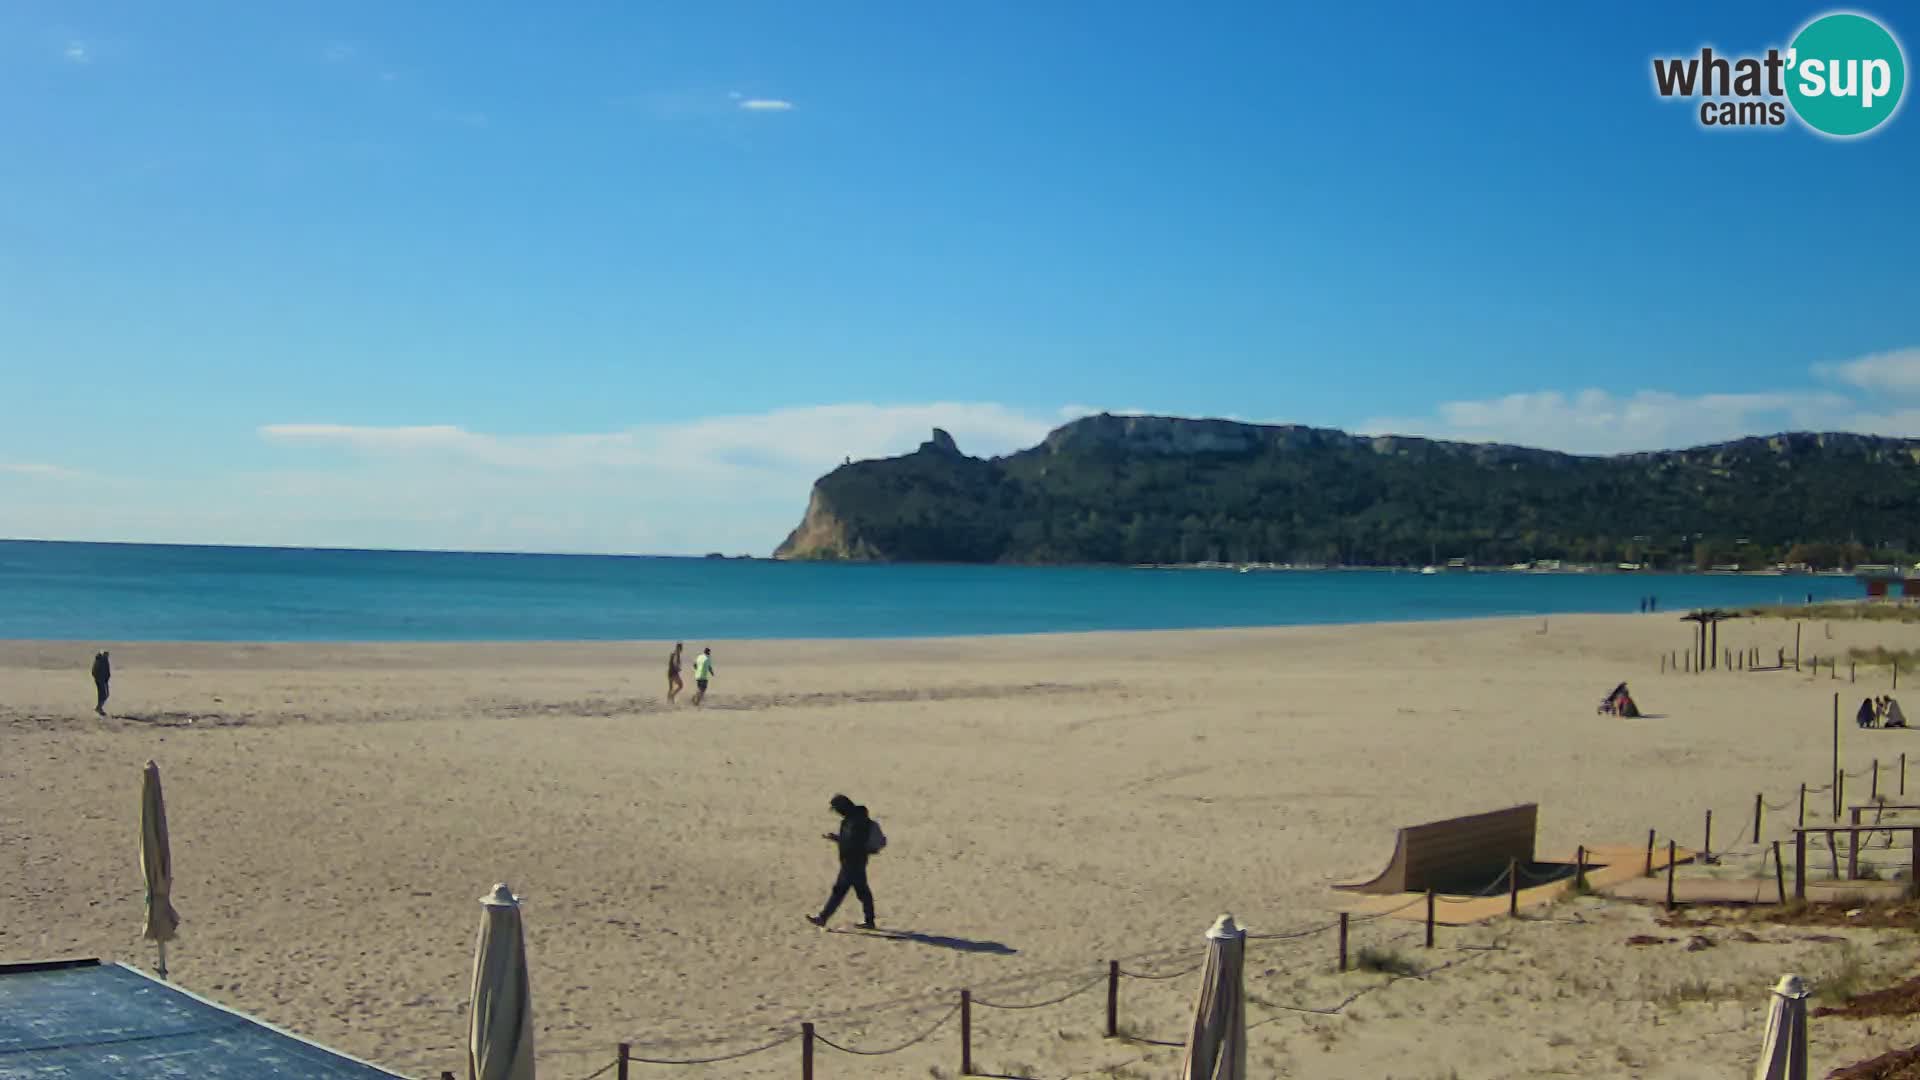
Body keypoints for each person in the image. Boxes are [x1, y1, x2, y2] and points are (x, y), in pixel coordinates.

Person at [807, 794, 877, 929]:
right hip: (855, 861)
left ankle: (823, 918)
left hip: (852, 862)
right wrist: (837, 838)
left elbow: (854, 842)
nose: (837, 812)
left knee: (841, 891)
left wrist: (839, 840)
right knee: (861, 891)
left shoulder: (855, 821)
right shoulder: (856, 817)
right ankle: (869, 921)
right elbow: (851, 840)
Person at [90, 650, 111, 716]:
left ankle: (99, 708)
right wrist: (98, 679)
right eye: (106, 654)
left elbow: (107, 671)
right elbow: (93, 671)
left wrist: (106, 678)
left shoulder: (105, 660)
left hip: (104, 680)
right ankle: (99, 708)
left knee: (105, 695)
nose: (107, 655)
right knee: (103, 695)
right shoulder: (99, 661)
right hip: (100, 681)